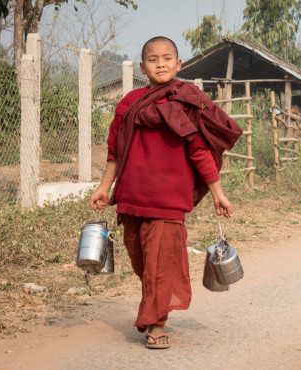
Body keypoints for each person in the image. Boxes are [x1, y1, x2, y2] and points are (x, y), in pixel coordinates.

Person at [89, 36, 243, 349]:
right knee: (142, 262)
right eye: (153, 59)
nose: (161, 63)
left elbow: (200, 150)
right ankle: (156, 305)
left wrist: (218, 193)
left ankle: (155, 323)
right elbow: (115, 151)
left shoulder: (187, 100)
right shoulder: (129, 103)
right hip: (133, 196)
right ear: (143, 67)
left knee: (161, 263)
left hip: (169, 200)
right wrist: (104, 188)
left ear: (179, 64)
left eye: (167, 58)